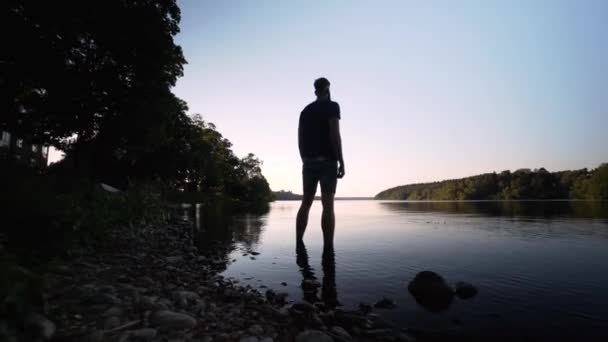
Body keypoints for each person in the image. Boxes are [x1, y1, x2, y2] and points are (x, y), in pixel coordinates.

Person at [296, 77, 344, 246]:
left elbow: (300, 138)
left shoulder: (306, 110)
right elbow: (334, 134)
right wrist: (341, 161)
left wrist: (304, 159)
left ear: (315, 90)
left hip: (309, 162)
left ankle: (298, 243)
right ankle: (328, 248)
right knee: (328, 206)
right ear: (328, 88)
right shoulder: (332, 106)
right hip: (328, 162)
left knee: (306, 202)